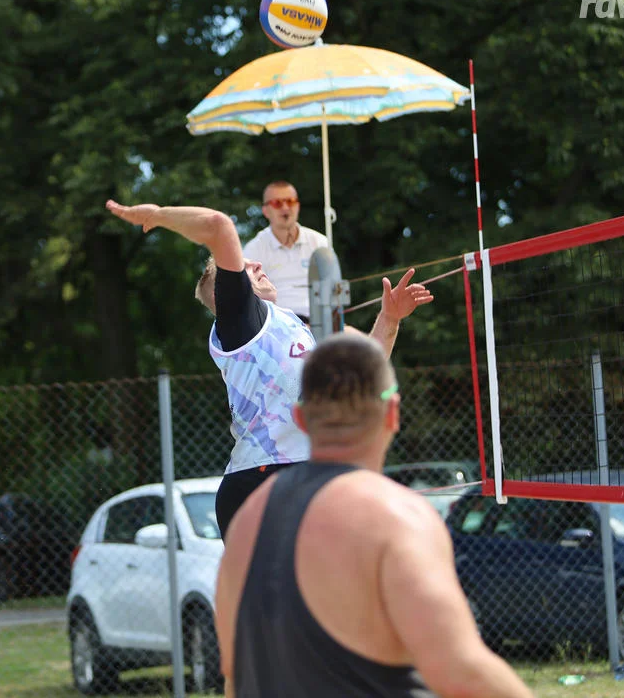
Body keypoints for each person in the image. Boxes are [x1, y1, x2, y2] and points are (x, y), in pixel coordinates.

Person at [214, 333, 536, 698]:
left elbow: (233, 678)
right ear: (393, 413)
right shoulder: (396, 517)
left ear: (301, 418)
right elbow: (460, 672)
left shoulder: (245, 523)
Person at [105, 199, 432, 539]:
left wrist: (389, 319)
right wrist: (157, 216)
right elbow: (219, 226)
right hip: (262, 480)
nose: (258, 263)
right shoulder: (243, 322)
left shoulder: (291, 324)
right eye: (245, 267)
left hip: (304, 475)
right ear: (231, 292)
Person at [242, 180, 328, 322]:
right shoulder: (254, 249)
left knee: (366, 342)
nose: (286, 207)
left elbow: (332, 289)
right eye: (277, 203)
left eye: (291, 201)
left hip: (322, 324)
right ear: (265, 211)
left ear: (298, 206)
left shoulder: (320, 242)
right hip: (279, 326)